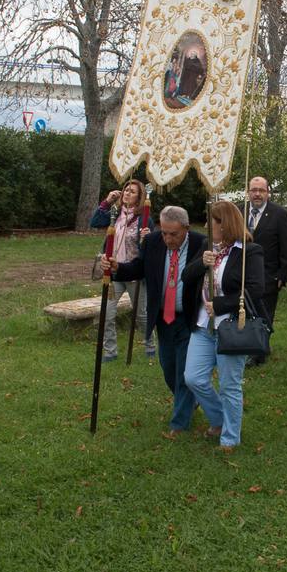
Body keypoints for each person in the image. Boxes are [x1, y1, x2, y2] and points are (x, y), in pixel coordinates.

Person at [102, 206, 206, 435]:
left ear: (186, 229)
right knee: (169, 368)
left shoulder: (201, 243)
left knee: (184, 372)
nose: (168, 238)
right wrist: (118, 267)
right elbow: (139, 268)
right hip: (163, 318)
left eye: (174, 234)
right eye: (165, 232)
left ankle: (179, 424)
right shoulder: (153, 242)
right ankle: (191, 400)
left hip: (190, 318)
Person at [181, 201, 266, 449]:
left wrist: (220, 304)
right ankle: (219, 417)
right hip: (203, 326)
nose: (208, 226)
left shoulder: (249, 251)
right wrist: (201, 264)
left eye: (212, 222)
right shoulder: (208, 246)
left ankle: (230, 437)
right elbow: (187, 277)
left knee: (229, 384)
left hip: (231, 328)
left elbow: (256, 290)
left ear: (224, 224)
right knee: (193, 378)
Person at [90, 180, 156, 363]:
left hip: (134, 273)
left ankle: (150, 345)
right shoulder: (115, 213)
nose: (127, 193)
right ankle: (110, 351)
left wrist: (148, 238)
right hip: (114, 273)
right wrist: (108, 200)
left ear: (139, 197)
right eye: (126, 190)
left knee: (141, 315)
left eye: (132, 192)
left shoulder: (144, 218)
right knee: (107, 313)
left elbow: (151, 248)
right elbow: (94, 222)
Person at [243, 176, 287, 362]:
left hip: (269, 275)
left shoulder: (280, 215)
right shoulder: (240, 212)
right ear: (248, 192)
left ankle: (257, 354)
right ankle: (251, 346)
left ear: (268, 193)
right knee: (246, 311)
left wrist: (283, 275)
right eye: (253, 190)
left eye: (261, 190)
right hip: (242, 274)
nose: (257, 194)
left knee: (264, 313)